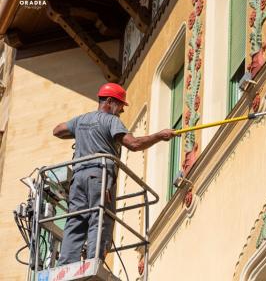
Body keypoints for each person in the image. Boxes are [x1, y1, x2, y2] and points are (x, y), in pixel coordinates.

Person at [53, 83, 177, 265]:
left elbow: (57, 130)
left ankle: (66, 263)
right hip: (99, 175)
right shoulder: (111, 120)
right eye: (120, 105)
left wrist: (79, 132)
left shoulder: (81, 120)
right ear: (109, 101)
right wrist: (159, 135)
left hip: (78, 178)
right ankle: (93, 262)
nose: (121, 111)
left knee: (76, 219)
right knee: (100, 217)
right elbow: (134, 144)